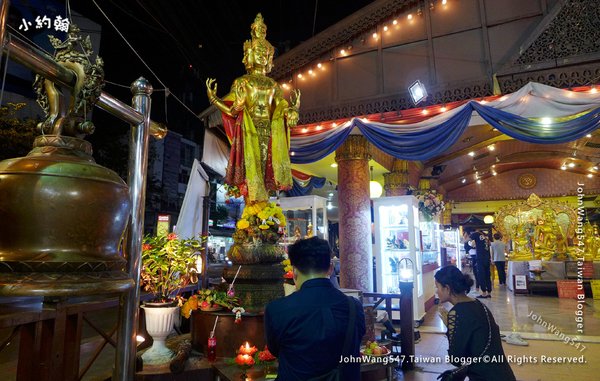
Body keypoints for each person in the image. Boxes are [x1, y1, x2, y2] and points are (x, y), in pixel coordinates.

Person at [206, 13, 300, 203]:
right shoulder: (242, 82)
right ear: (248, 55)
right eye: (258, 52)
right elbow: (233, 111)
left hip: (268, 131)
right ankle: (253, 212)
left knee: (266, 170)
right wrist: (215, 99)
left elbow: (280, 108)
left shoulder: (273, 85)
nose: (262, 56)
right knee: (251, 171)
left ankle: (263, 211)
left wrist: (292, 111)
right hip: (249, 131)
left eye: (266, 54)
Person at [264, 237, 366, 380]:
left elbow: (275, 350)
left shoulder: (277, 309)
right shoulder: (354, 306)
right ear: (330, 268)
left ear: (294, 271)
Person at [435, 266, 516, 381]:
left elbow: (455, 359)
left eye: (437, 287)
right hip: (504, 374)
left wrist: (450, 326)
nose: (436, 291)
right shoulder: (478, 304)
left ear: (447, 288)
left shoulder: (456, 313)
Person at [467, 228, 492, 298]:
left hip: (480, 258)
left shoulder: (476, 234)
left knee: (481, 275)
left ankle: (484, 292)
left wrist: (469, 242)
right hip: (487, 258)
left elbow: (469, 242)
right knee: (487, 275)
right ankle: (489, 292)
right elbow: (489, 246)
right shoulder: (486, 238)